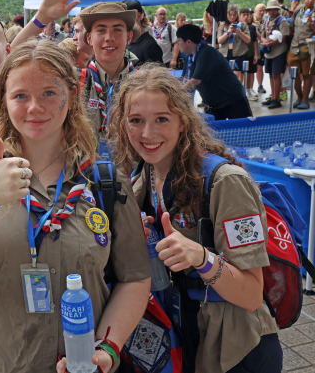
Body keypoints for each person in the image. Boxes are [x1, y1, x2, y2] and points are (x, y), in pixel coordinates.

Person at [0, 39, 151, 373]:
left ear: (71, 96)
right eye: (20, 95)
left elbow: (134, 278)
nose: (35, 107)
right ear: (3, 101)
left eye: (49, 92)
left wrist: (108, 345)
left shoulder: (105, 182)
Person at [108, 65, 282, 373]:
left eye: (162, 119)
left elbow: (252, 294)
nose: (148, 134)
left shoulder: (226, 183)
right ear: (123, 125)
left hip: (236, 350)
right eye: (136, 121)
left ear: (183, 122)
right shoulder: (140, 178)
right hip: (184, 338)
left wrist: (202, 258)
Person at [80, 2, 140, 136]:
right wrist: (39, 20)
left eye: (117, 30)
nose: (109, 38)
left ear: (129, 37)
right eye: (101, 30)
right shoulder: (75, 82)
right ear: (89, 38)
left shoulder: (145, 84)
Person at [178, 24, 252, 120]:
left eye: (179, 40)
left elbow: (195, 81)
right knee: (213, 133)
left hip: (233, 101)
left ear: (188, 42)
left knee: (241, 133)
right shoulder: (190, 57)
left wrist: (175, 94)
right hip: (213, 104)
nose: (177, 43)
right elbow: (184, 79)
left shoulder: (206, 53)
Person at [259, 0, 290, 109]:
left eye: (273, 9)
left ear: (277, 9)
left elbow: (283, 37)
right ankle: (273, 97)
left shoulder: (282, 21)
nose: (271, 12)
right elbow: (262, 34)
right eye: (269, 10)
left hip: (278, 51)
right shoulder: (267, 20)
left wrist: (269, 43)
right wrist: (264, 41)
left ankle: (276, 99)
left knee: (276, 75)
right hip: (268, 52)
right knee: (271, 75)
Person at [287, 0, 315, 110]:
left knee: (307, 74)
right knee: (294, 74)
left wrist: (311, 23)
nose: (310, 1)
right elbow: (291, 28)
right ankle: (299, 97)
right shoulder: (298, 12)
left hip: (308, 48)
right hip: (294, 48)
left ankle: (305, 99)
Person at [124, 0, 164, 67]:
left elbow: (158, 76)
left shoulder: (150, 46)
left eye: (125, 16)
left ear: (138, 16)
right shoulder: (128, 43)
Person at [217, 4, 251, 80]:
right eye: (230, 15)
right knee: (225, 76)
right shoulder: (222, 25)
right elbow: (219, 41)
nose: (232, 17)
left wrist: (239, 32)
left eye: (234, 15)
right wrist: (228, 32)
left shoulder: (242, 25)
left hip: (238, 53)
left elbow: (248, 40)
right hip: (225, 53)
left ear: (237, 15)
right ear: (227, 14)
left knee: (234, 76)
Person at [241, 8, 260, 101]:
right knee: (241, 73)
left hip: (250, 53)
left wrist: (256, 54)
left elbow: (255, 41)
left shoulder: (252, 27)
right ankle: (242, 91)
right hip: (240, 53)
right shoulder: (238, 26)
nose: (246, 17)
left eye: (247, 15)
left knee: (250, 72)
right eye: (243, 15)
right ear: (239, 15)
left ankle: (249, 89)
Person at [253, 4, 267, 94]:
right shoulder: (251, 20)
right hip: (252, 46)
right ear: (255, 11)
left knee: (260, 66)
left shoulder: (266, 21)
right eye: (260, 11)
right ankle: (247, 87)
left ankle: (260, 85)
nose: (262, 13)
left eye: (264, 11)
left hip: (261, 46)